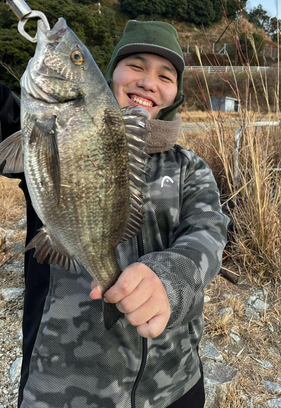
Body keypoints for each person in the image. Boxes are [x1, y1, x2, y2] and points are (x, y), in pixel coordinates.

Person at [1, 20, 229, 408]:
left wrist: (169, 277)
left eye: (165, 74)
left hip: (175, 383)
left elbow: (209, 232)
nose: (148, 82)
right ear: (110, 75)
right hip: (62, 387)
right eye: (135, 66)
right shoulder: (47, 126)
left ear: (175, 92)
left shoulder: (190, 167)